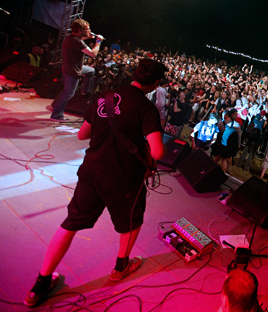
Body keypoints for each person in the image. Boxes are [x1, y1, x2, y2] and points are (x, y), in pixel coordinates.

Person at [24, 58, 167, 308]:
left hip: (91, 172)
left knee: (70, 224)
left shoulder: (106, 96)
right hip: (124, 179)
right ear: (156, 83)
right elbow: (157, 153)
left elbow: (82, 135)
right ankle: (120, 267)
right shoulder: (146, 108)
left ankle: (40, 283)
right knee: (131, 222)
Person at [50, 19, 102, 121]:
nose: (90, 30)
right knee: (68, 93)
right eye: (87, 29)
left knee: (91, 71)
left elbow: (81, 39)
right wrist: (98, 42)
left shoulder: (71, 38)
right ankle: (56, 115)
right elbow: (93, 54)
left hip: (72, 68)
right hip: (72, 71)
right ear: (79, 30)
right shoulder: (77, 41)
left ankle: (84, 91)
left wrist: (88, 36)